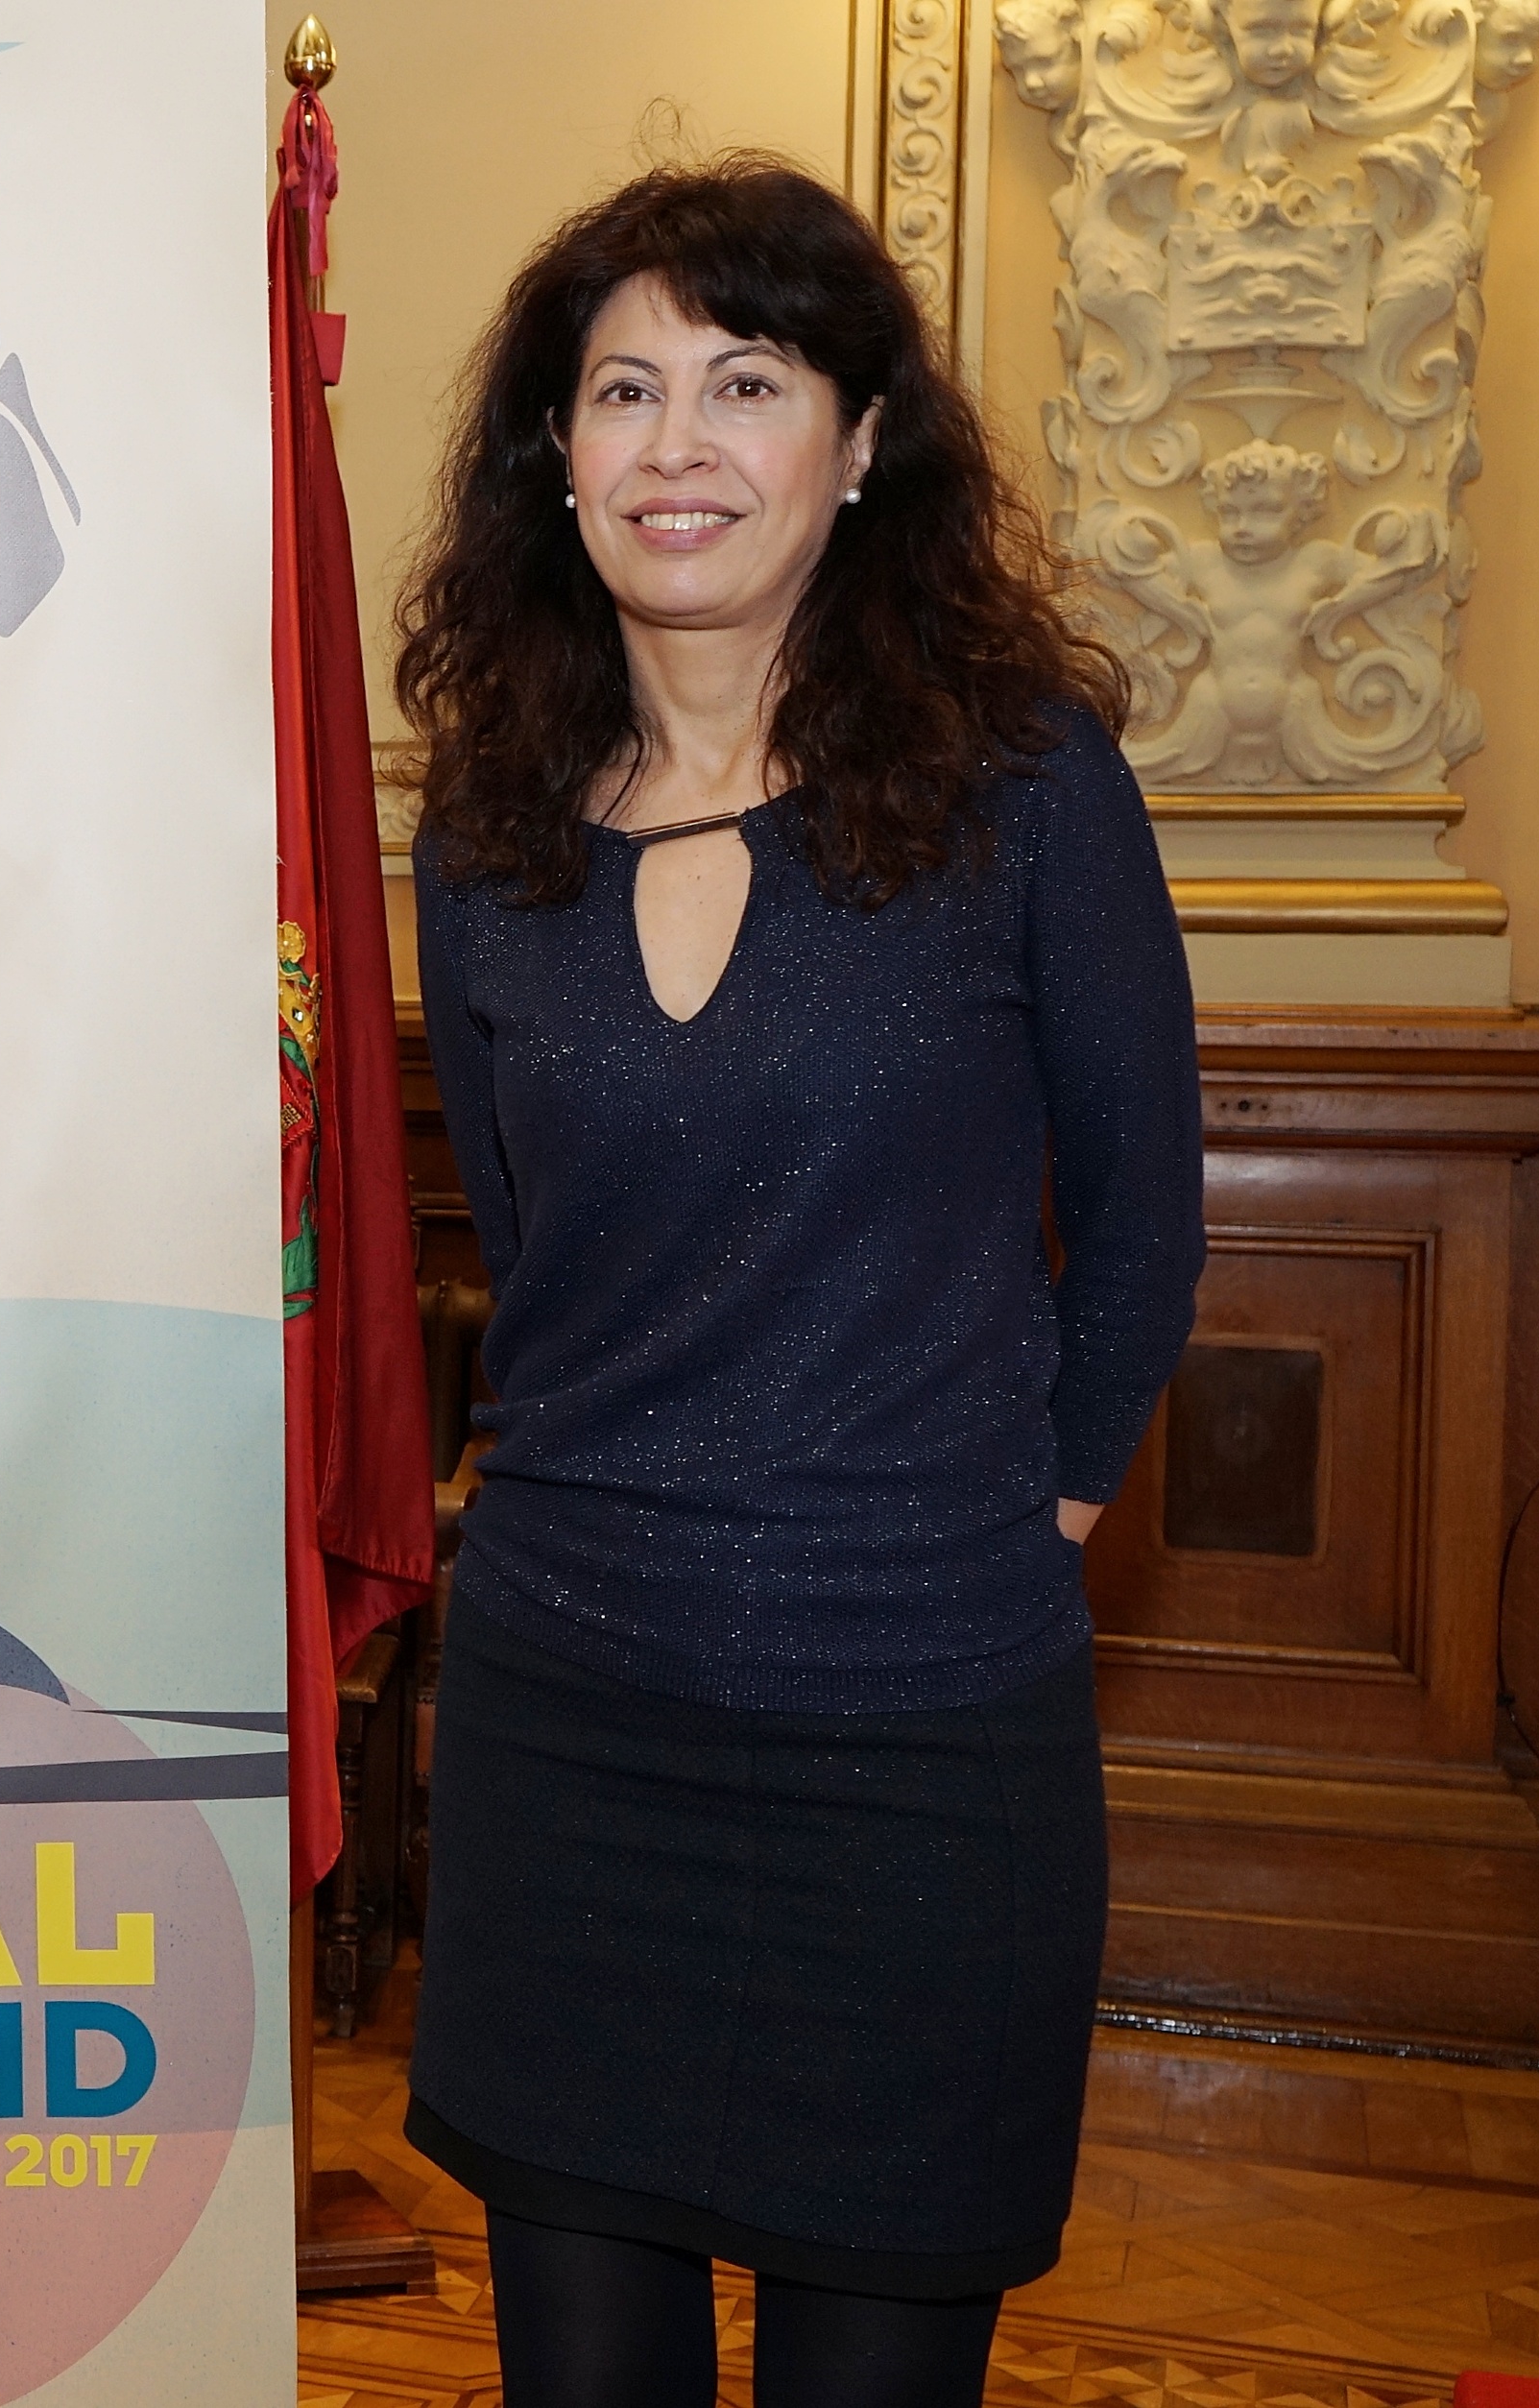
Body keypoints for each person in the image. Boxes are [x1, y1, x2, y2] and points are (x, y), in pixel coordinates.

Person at [393, 156, 1204, 2407]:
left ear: (859, 447)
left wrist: (1012, 1519)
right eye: (622, 389)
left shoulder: (1025, 786)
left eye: (746, 382)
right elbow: (536, 1258)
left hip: (920, 1743)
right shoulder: (486, 824)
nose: (679, 442)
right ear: (554, 459)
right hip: (569, 1722)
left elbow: (1145, 1215)